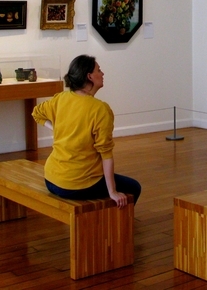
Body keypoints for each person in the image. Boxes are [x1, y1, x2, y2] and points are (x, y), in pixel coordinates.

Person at [32, 54, 141, 208]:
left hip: (51, 179)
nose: (102, 74)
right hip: (78, 185)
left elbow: (37, 113)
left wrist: (56, 128)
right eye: (99, 70)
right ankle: (117, 227)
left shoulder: (61, 98)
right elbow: (106, 154)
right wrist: (112, 191)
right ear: (89, 76)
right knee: (134, 187)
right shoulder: (100, 109)